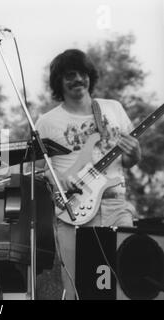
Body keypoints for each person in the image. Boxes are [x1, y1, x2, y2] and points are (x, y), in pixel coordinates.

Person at [34, 49, 141, 300]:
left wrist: (135, 152)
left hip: (116, 203)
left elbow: (130, 161)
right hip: (75, 212)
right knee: (78, 289)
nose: (78, 80)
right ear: (58, 81)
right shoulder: (47, 122)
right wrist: (55, 179)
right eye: (70, 75)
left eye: (82, 74)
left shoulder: (112, 109)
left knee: (127, 284)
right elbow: (38, 170)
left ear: (90, 76)